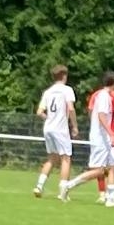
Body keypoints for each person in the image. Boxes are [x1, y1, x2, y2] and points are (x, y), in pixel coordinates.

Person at [61, 71, 114, 208]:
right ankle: (68, 185)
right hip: (100, 139)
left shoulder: (104, 96)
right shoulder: (103, 97)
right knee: (99, 171)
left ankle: (111, 199)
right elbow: (101, 116)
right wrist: (111, 132)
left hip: (105, 139)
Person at [33, 66, 78, 197]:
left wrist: (49, 118)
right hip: (60, 129)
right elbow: (71, 108)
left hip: (48, 128)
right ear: (64, 76)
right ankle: (63, 192)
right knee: (66, 158)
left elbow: (39, 112)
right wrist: (75, 126)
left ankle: (39, 186)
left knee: (52, 158)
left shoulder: (48, 91)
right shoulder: (67, 90)